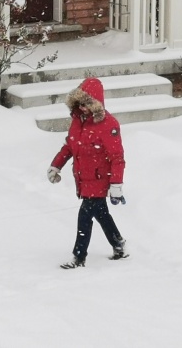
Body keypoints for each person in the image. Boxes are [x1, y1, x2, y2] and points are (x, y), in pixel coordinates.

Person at [46, 76, 128, 269]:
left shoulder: (108, 125)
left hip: (100, 179)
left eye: (87, 104)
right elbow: (70, 147)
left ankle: (79, 257)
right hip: (83, 179)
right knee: (101, 214)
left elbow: (117, 157)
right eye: (79, 103)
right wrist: (56, 165)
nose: (82, 108)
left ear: (97, 103)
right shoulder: (78, 122)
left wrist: (116, 185)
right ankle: (119, 244)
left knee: (85, 215)